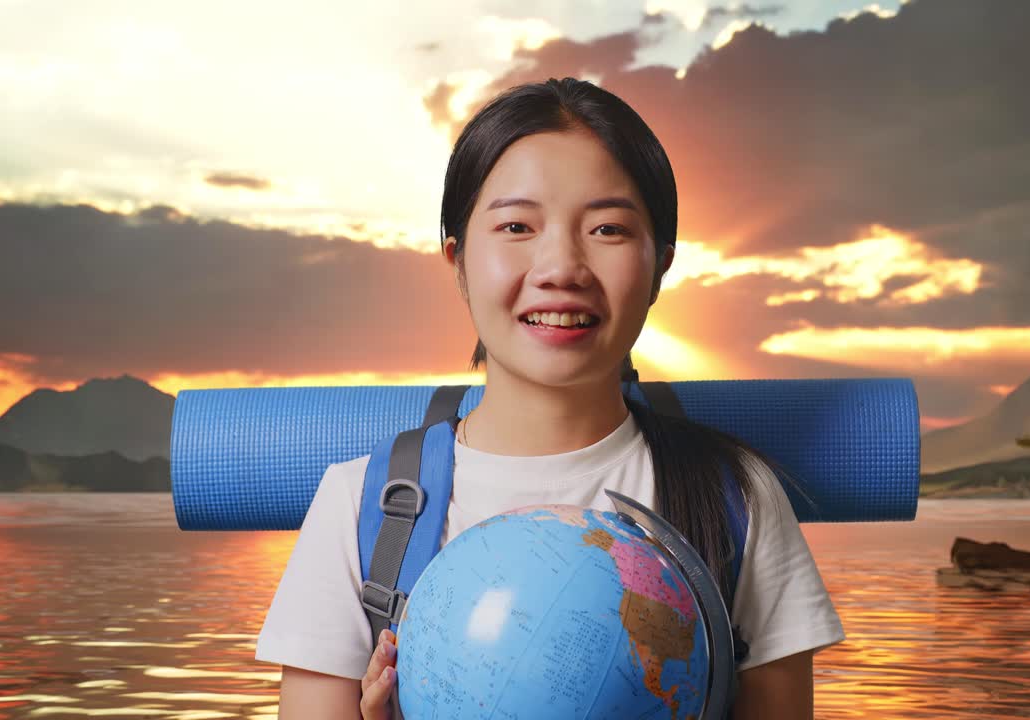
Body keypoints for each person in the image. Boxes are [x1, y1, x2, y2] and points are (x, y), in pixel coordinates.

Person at [255, 77, 845, 719]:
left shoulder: (735, 498)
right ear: (457, 260)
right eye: (516, 225)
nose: (561, 266)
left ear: (661, 265)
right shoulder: (359, 510)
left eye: (609, 229)